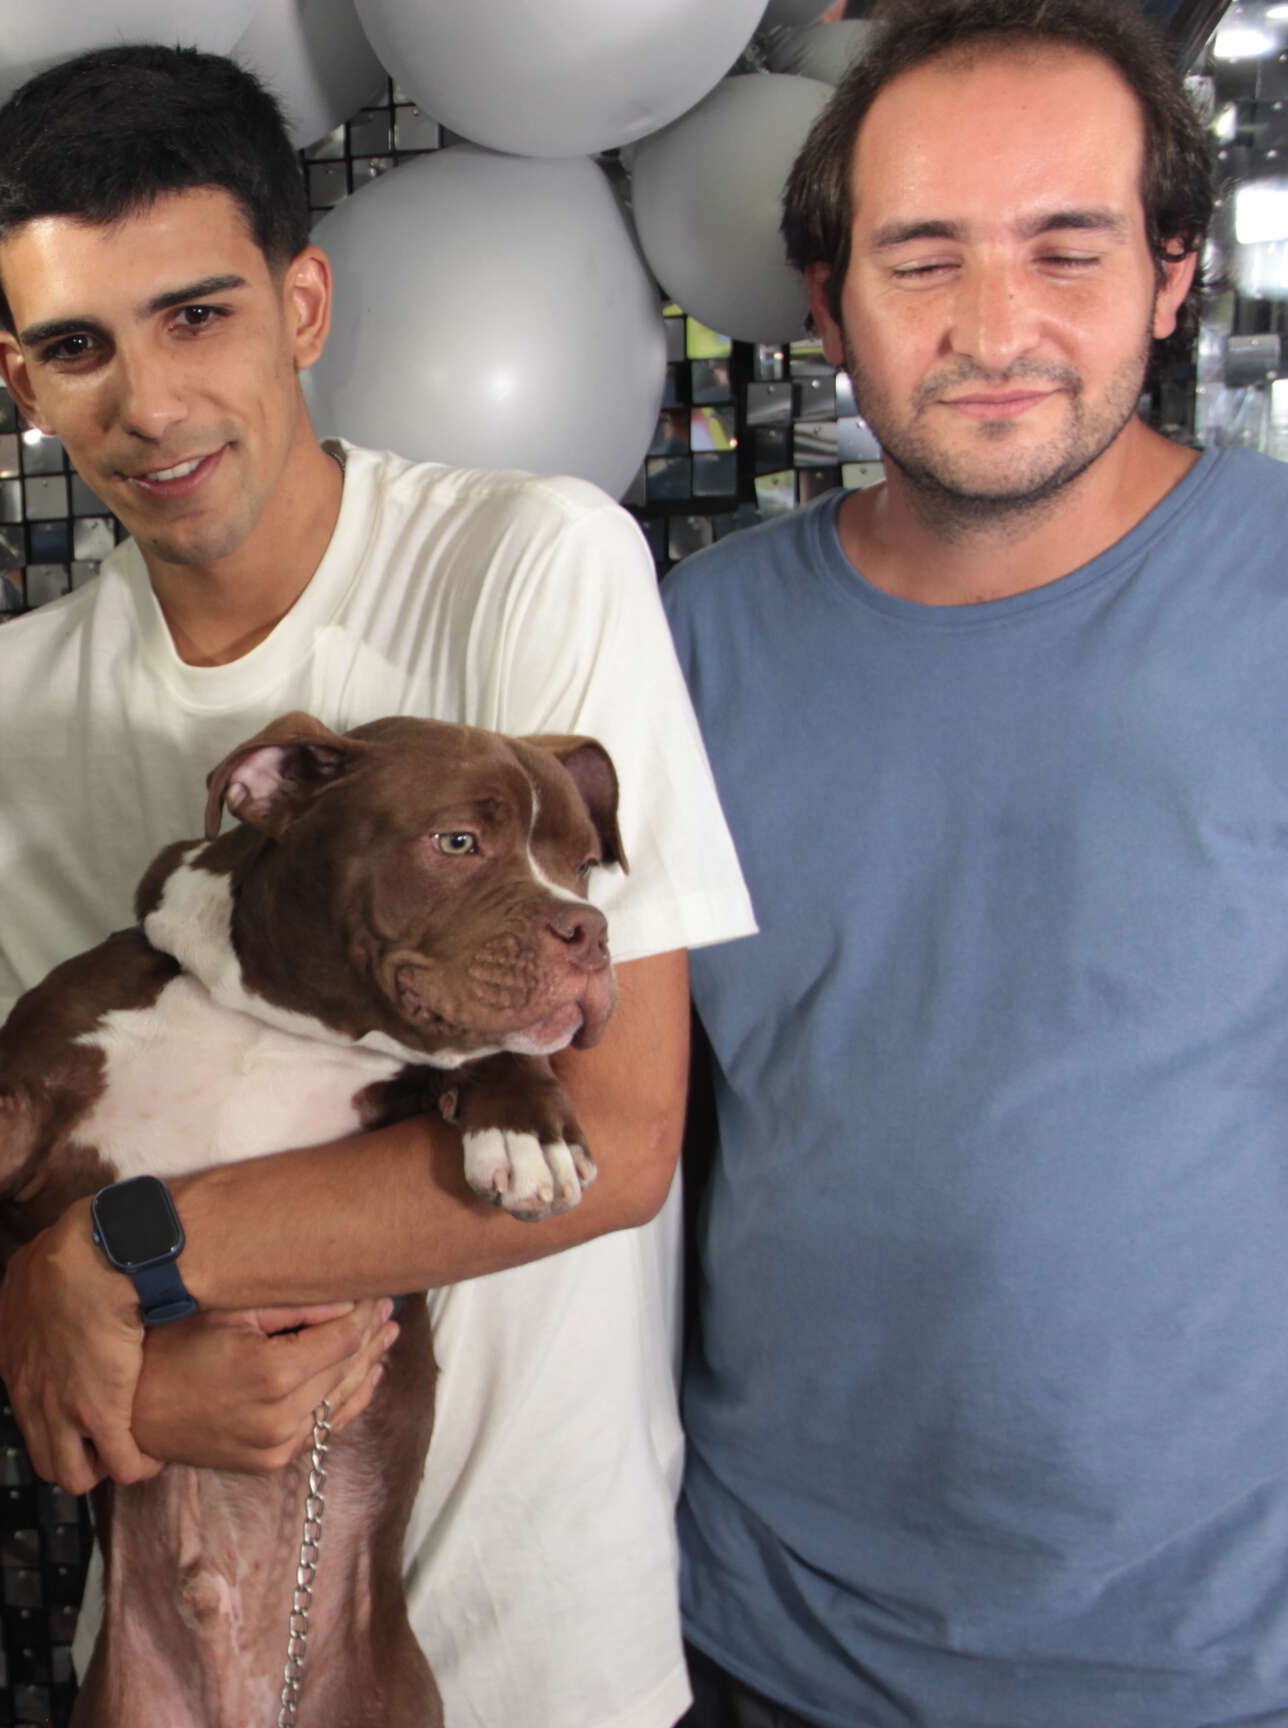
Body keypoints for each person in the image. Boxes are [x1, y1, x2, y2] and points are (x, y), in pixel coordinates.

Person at [0, 45, 758, 1728]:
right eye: (79, 347)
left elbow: (613, 1142)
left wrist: (120, 1256)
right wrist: (89, 1320)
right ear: (18, 378)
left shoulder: (530, 561)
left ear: (302, 305)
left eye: (197, 315)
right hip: (176, 1647)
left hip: (534, 1652)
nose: (150, 404)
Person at [662, 4, 1287, 1724]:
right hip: (767, 1644)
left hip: (1219, 1668)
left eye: (1064, 251)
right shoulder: (686, 648)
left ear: (1169, 277)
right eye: (924, 259)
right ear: (827, 302)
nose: (994, 329)